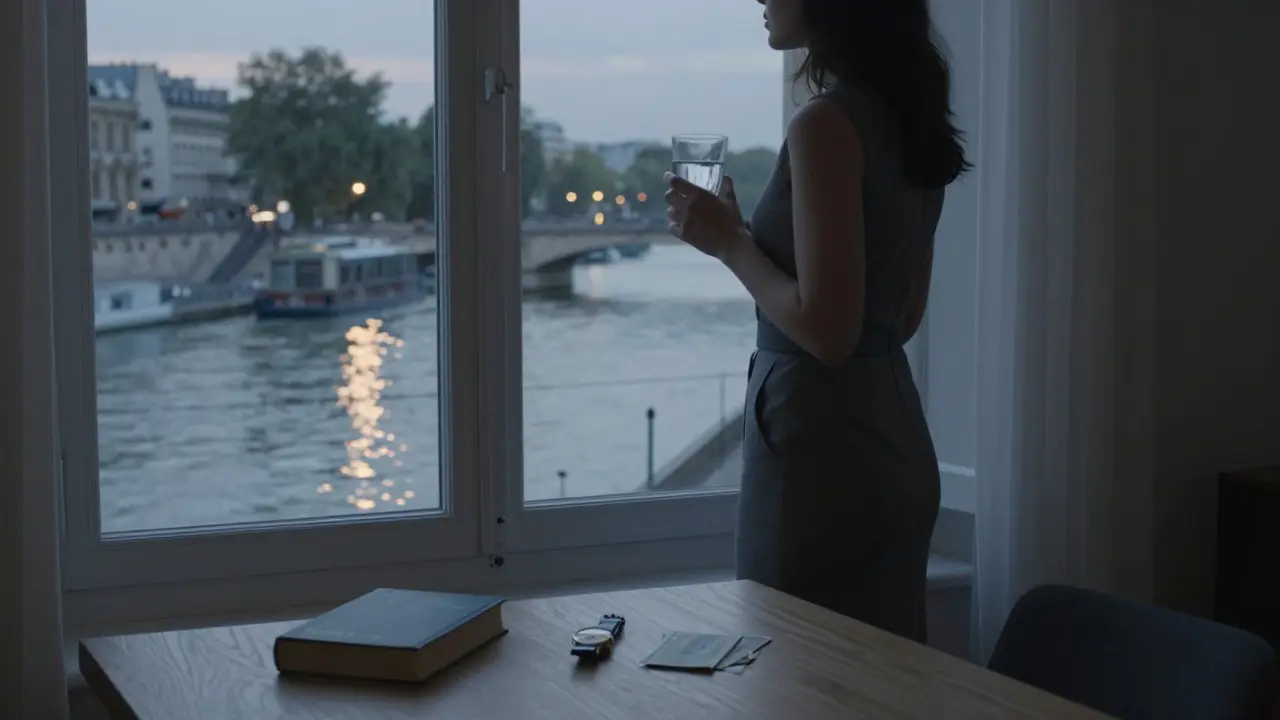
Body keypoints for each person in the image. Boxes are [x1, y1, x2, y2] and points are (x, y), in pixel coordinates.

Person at [663, 0, 970, 643]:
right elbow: (899, 318)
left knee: (793, 667)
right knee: (882, 673)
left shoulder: (824, 126)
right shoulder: (910, 121)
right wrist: (744, 240)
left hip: (816, 451)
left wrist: (729, 244)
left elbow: (828, 334)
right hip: (893, 433)